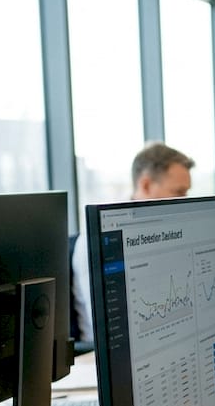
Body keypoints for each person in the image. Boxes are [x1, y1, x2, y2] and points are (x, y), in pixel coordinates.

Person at [70, 141, 194, 344]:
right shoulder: (102, 238)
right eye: (178, 192)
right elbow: (112, 328)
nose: (185, 200)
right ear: (145, 185)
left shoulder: (166, 233)